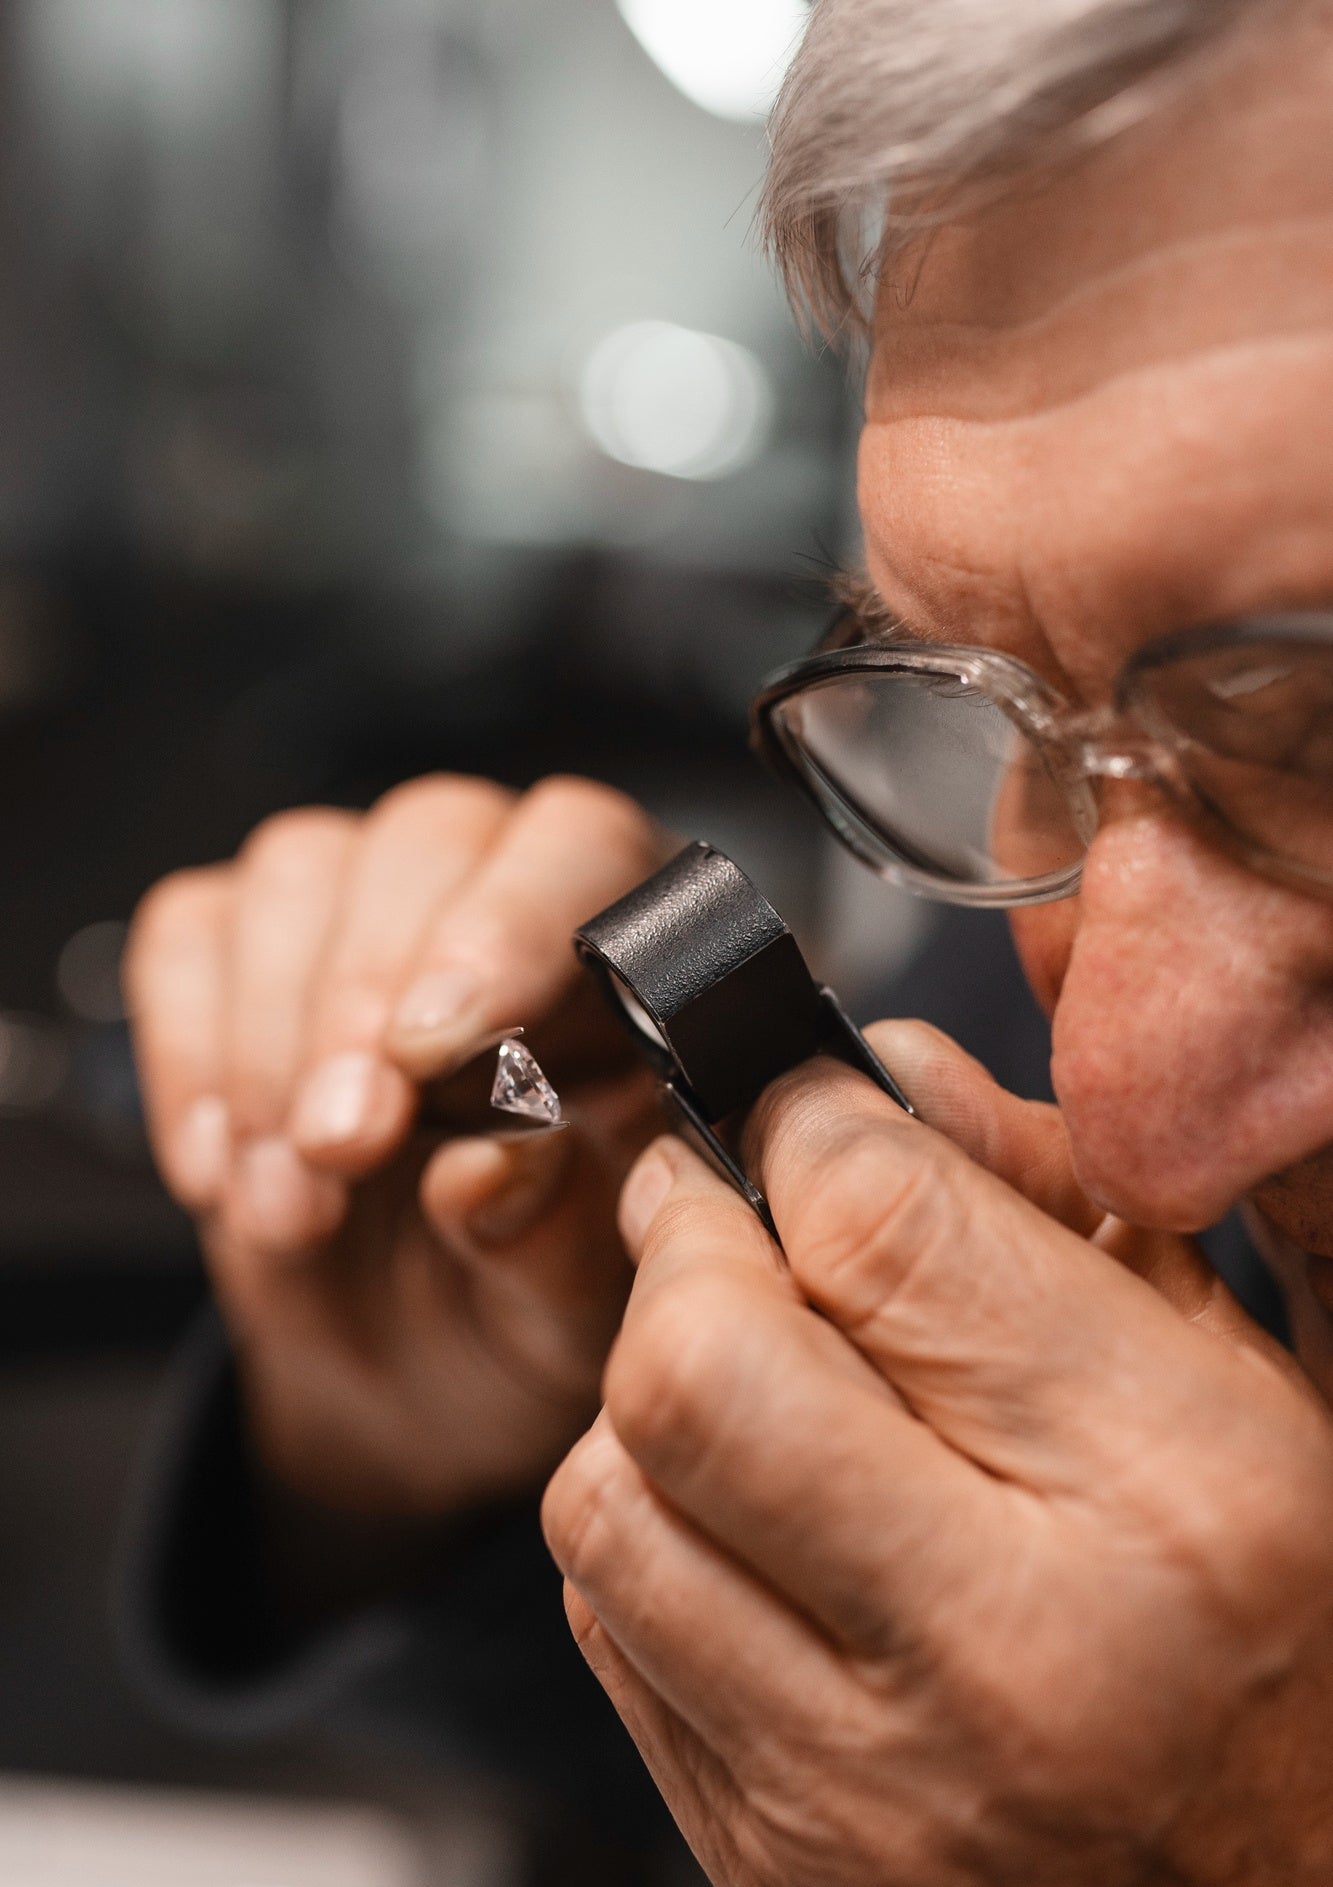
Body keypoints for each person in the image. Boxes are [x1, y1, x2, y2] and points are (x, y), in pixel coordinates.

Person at [121, 0, 1333, 1878]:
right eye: (989, 701)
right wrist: (486, 1447)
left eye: (1318, 744)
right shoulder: (997, 987)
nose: (1128, 1113)